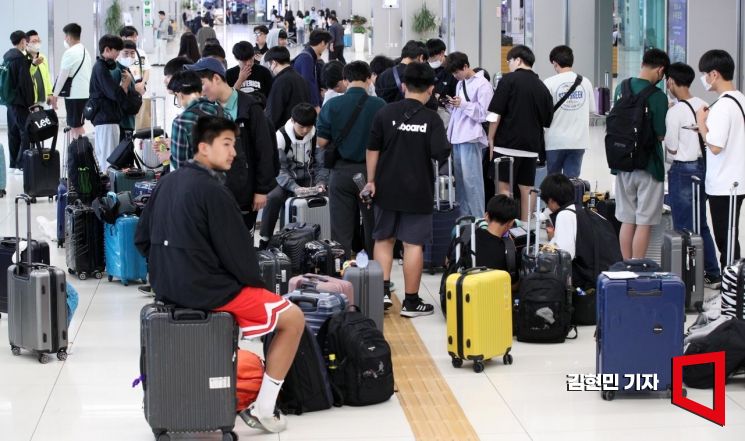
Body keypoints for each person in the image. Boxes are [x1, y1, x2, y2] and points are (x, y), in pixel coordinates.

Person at [135, 116, 303, 433]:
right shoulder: (214, 192)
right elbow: (240, 258)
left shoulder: (168, 182)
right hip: (208, 290)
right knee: (293, 319)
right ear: (203, 147)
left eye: (234, 145)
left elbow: (142, 239)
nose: (233, 153)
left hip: (166, 287)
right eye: (226, 144)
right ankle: (266, 408)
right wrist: (258, 287)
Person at [363, 62, 451, 317]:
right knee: (413, 244)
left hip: (385, 187)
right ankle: (411, 302)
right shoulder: (431, 119)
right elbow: (440, 154)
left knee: (384, 239)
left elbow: (372, 148)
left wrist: (371, 180)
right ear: (431, 88)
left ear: (403, 86)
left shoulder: (384, 112)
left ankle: (380, 295)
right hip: (418, 189)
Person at [187, 57, 277, 230]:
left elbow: (264, 150)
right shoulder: (205, 110)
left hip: (245, 195)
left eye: (201, 84)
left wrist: (261, 189)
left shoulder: (250, 108)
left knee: (240, 244)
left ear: (216, 78)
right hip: (214, 193)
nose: (199, 91)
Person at [317, 61, 386, 260]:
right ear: (368, 79)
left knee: (341, 229)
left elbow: (322, 142)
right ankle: (376, 274)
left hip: (341, 173)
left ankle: (343, 273)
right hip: (370, 175)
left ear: (345, 80)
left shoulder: (332, 105)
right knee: (373, 225)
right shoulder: (379, 105)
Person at [664, 62, 721, 287]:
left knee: (683, 226)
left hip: (682, 171)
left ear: (671, 82)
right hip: (703, 168)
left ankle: (689, 276)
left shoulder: (675, 111)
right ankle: (712, 272)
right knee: (701, 223)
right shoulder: (704, 104)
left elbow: (672, 147)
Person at [612, 48, 669, 259]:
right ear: (660, 70)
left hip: (622, 161)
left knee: (627, 219)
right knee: (644, 221)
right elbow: (661, 135)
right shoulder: (657, 96)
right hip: (648, 166)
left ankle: (626, 266)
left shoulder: (622, 87)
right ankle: (637, 267)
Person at [487, 45, 554, 222]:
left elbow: (495, 114)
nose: (508, 65)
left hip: (506, 145)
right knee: (527, 188)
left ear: (518, 60)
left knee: (504, 188)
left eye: (509, 61)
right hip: (531, 148)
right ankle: (525, 228)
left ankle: (504, 226)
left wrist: (491, 138)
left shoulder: (508, 81)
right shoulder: (542, 87)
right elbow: (547, 121)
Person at [696, 49, 745, 270]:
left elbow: (715, 146)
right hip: (734, 180)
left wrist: (701, 123)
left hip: (725, 184)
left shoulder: (724, 106)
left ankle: (732, 292)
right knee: (729, 237)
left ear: (714, 74)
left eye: (705, 74)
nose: (704, 79)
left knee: (726, 239)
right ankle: (732, 289)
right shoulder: (739, 99)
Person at [259, 103, 327, 247]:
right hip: (285, 180)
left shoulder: (316, 136)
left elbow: (321, 164)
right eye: (301, 126)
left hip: (309, 178)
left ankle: (325, 237)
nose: (305, 130)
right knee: (273, 197)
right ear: (292, 121)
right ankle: (264, 239)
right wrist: (294, 187)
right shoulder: (280, 136)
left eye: (308, 127)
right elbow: (279, 169)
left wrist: (321, 183)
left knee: (330, 193)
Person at [445, 51, 494, 218]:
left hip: (471, 136)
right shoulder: (460, 84)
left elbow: (485, 114)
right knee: (460, 182)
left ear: (465, 66)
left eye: (457, 72)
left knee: (472, 181)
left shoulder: (483, 84)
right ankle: (464, 218)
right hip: (457, 135)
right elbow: (462, 109)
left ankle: (478, 218)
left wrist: (464, 104)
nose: (455, 76)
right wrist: (451, 105)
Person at [543, 45, 596, 177]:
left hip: (554, 141)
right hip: (578, 141)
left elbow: (542, 112)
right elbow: (592, 109)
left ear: (555, 63)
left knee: (553, 181)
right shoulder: (586, 82)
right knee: (572, 183)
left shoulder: (548, 83)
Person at [160, 69, 224, 169]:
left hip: (199, 182)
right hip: (225, 181)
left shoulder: (181, 121)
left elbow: (181, 166)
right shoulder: (222, 111)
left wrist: (168, 156)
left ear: (179, 95)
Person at [89, 34, 134, 168]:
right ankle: (109, 187)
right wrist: (125, 85)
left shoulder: (101, 67)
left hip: (104, 118)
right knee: (109, 160)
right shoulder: (101, 69)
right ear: (107, 50)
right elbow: (114, 93)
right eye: (117, 52)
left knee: (105, 156)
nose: (118, 56)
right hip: (107, 118)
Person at [50, 23, 92, 139]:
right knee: (77, 124)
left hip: (75, 96)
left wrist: (55, 95)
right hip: (84, 94)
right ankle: (78, 150)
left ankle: (80, 152)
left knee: (75, 126)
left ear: (68, 37)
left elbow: (62, 76)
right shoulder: (85, 51)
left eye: (65, 36)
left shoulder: (70, 53)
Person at [3, 30, 34, 171]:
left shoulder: (7, 57)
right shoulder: (19, 59)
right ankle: (21, 165)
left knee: (13, 133)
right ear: (22, 41)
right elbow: (25, 83)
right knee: (26, 132)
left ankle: (12, 164)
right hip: (20, 103)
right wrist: (30, 102)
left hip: (10, 102)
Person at [264, 46, 311, 129]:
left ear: (274, 63)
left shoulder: (280, 81)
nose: (270, 68)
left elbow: (273, 113)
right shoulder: (300, 78)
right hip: (302, 128)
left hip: (285, 131)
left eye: (269, 65)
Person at [474, 195, 519, 272]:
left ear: (486, 216)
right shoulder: (508, 251)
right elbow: (513, 283)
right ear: (511, 223)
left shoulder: (465, 233)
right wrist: (511, 247)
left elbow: (447, 262)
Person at [294, 29, 332, 111]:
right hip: (304, 105)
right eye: (327, 44)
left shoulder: (309, 55)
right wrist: (315, 105)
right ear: (322, 43)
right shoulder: (306, 58)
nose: (326, 47)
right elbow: (308, 82)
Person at [119, 26, 151, 93]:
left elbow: (146, 70)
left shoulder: (141, 53)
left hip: (139, 87)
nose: (134, 39)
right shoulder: (118, 54)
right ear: (123, 38)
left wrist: (142, 84)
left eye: (135, 36)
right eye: (131, 36)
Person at [24, 31, 52, 107]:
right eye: (34, 41)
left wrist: (50, 93)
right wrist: (33, 65)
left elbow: (47, 76)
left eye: (38, 41)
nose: (37, 43)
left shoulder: (42, 57)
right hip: (30, 100)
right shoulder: (23, 58)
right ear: (27, 43)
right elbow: (25, 76)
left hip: (43, 99)